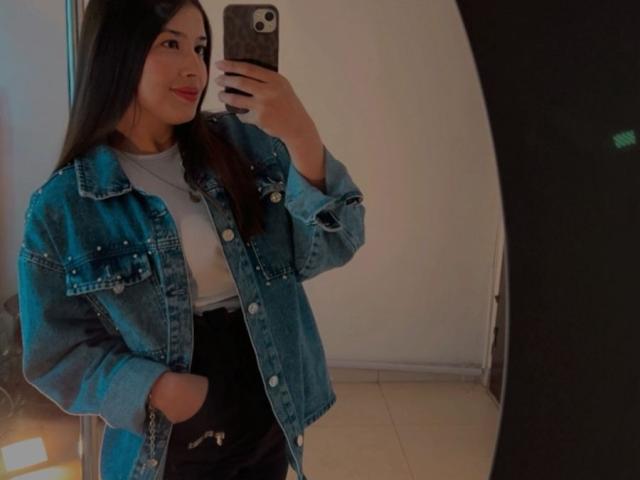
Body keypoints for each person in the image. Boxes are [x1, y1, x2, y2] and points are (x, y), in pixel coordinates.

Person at [16, 1, 365, 479]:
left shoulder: (244, 145)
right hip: (167, 429)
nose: (194, 69)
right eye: (171, 44)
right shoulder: (65, 204)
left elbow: (337, 245)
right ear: (117, 51)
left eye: (200, 48)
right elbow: (53, 352)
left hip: (267, 394)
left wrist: (302, 137)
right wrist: (154, 388)